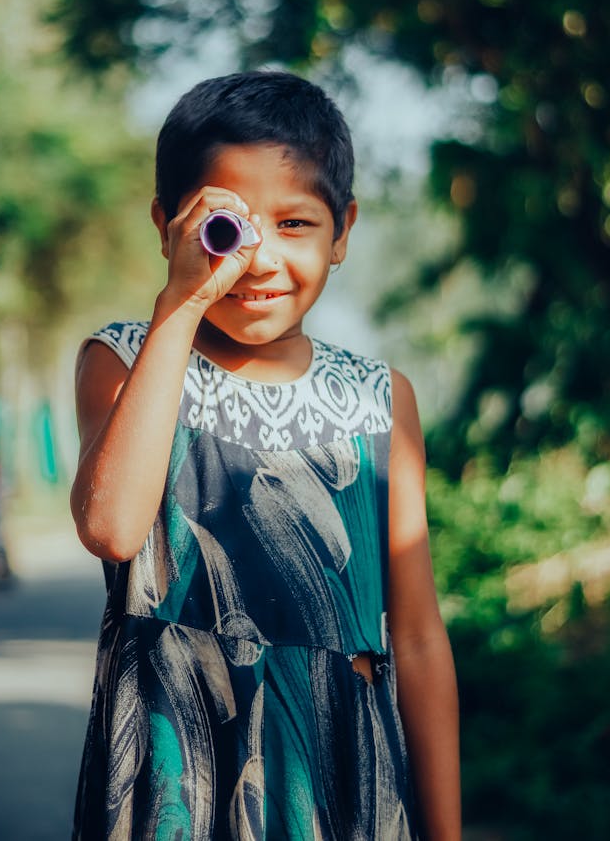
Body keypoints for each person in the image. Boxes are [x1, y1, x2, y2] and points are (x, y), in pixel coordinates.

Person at [70, 71, 461, 840]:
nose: (258, 260)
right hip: (176, 769)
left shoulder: (380, 397)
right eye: (229, 228)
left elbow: (415, 635)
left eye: (295, 224)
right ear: (168, 225)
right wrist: (179, 305)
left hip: (339, 775)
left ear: (342, 229)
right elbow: (113, 529)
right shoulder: (126, 360)